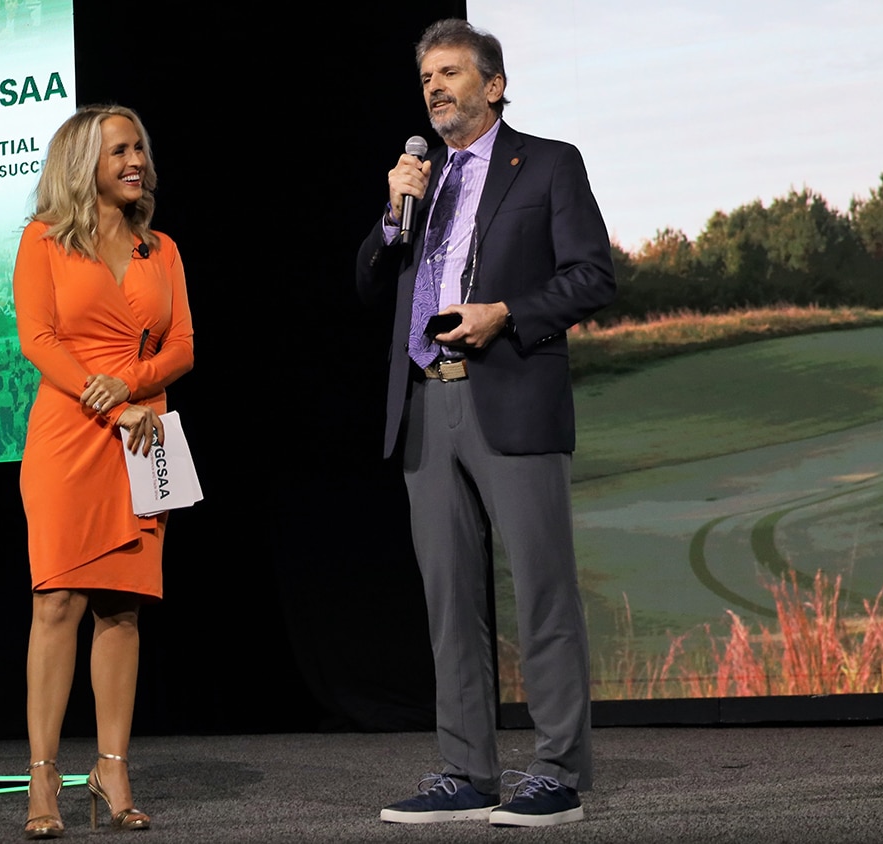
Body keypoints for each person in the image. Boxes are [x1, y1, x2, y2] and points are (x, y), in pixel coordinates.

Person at [355, 17, 614, 830]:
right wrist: (398, 212)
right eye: (426, 75)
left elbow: (592, 275)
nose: (434, 86)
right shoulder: (418, 184)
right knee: (448, 602)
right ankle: (467, 770)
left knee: (542, 592)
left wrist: (508, 312)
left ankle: (559, 772)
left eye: (451, 73)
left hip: (510, 395)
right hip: (428, 403)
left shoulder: (548, 164)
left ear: (493, 85)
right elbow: (369, 281)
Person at [13, 104, 193, 839]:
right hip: (68, 434)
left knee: (122, 609)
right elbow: (38, 338)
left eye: (140, 150)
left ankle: (112, 767)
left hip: (145, 435)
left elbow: (183, 346)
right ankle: (44, 778)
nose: (137, 162)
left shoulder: (163, 249)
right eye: (120, 150)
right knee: (57, 604)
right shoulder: (42, 240)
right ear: (83, 162)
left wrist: (132, 385)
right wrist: (105, 398)